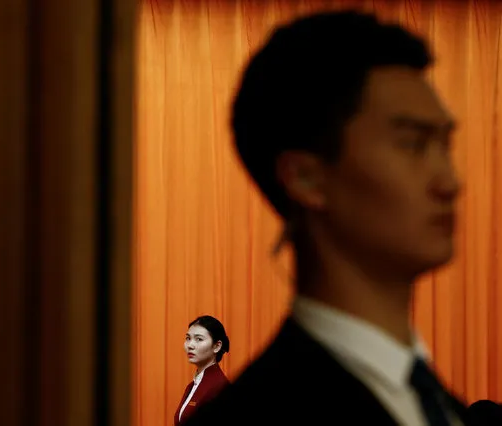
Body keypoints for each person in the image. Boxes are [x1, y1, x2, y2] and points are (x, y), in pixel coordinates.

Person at [183, 10, 468, 426]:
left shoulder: (441, 406)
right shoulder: (255, 415)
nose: (450, 182)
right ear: (306, 179)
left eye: (445, 145)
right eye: (412, 145)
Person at [174, 315, 230, 425]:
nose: (190, 345)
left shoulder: (219, 386)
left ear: (217, 346)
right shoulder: (192, 385)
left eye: (199, 339)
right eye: (188, 338)